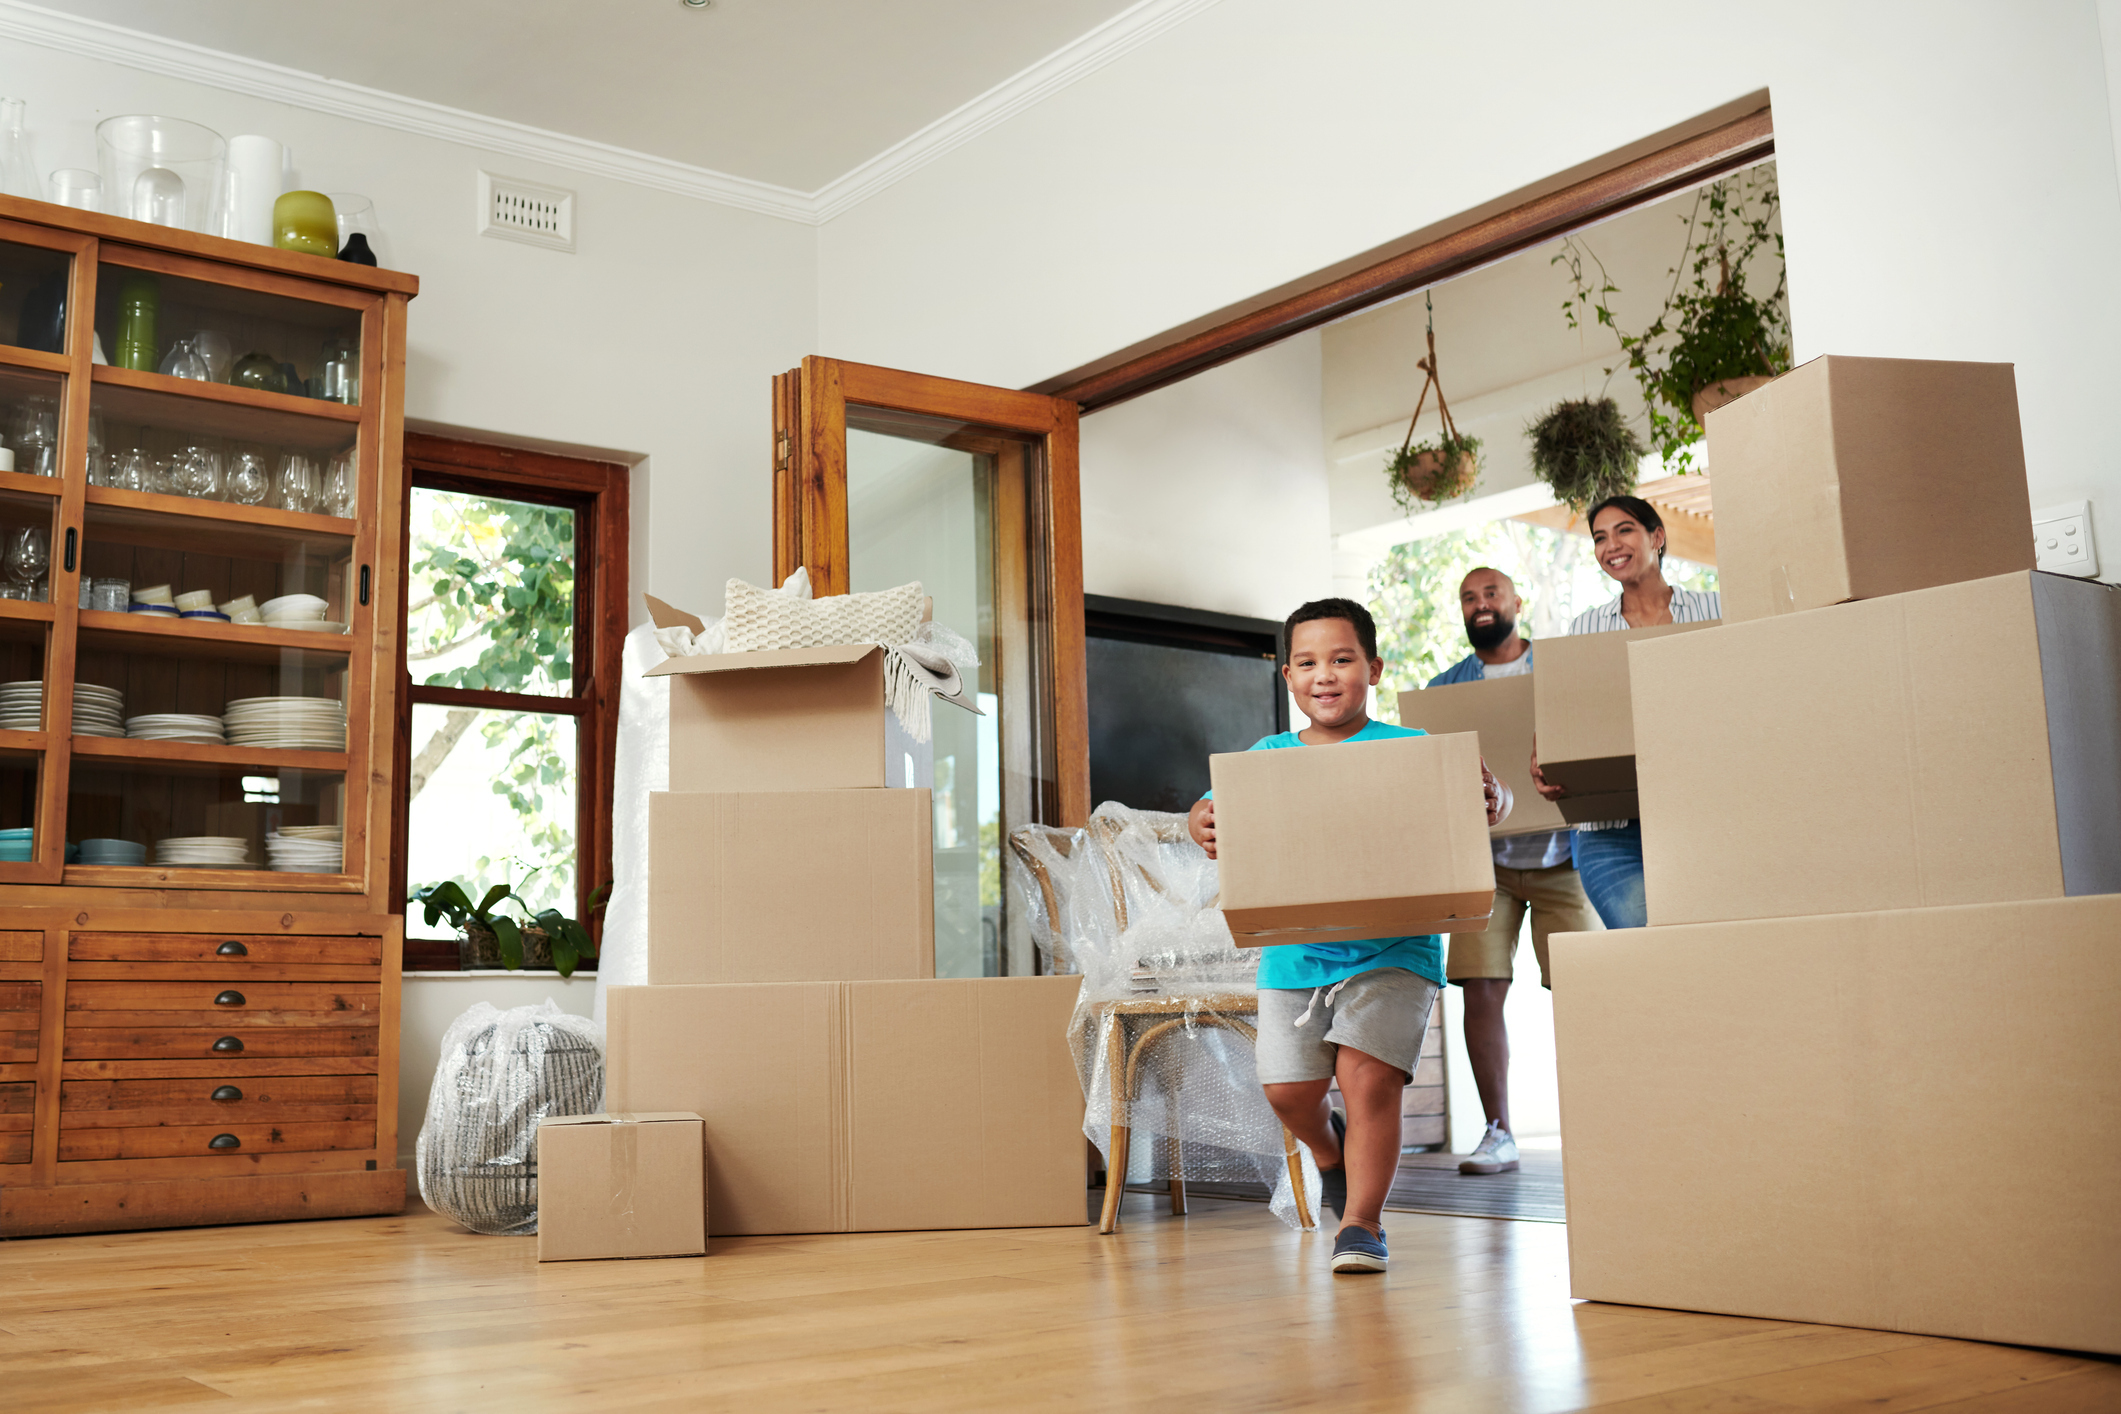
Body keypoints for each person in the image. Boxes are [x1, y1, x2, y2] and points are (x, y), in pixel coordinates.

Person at [1188, 598, 1508, 1275]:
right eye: (1307, 663)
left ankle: (1361, 1224)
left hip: (1394, 949)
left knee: (1368, 1082)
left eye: (1341, 660)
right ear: (1286, 678)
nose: (1324, 675)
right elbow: (1216, 811)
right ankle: (1329, 1153)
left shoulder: (1409, 749)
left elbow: (1484, 802)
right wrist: (1200, 819)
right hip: (1295, 951)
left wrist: (1493, 801)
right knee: (1287, 1092)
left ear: (1373, 667)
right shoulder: (1265, 758)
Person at [1426, 567, 1600, 1177]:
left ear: (1516, 602)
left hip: (1566, 857)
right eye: (1468, 597)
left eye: (1490, 593)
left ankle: (1597, 1123)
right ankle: (1498, 1131)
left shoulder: (1557, 670)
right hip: (1488, 865)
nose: (1479, 605)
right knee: (1482, 987)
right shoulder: (1445, 688)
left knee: (1585, 990)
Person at [1529, 495, 1720, 929]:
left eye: (1624, 530)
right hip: (1610, 829)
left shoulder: (1716, 611)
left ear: (1657, 536)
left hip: (1702, 815)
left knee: (1706, 940)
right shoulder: (1586, 627)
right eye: (1599, 537)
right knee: (1646, 944)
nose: (1610, 544)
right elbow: (1569, 711)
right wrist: (1547, 755)